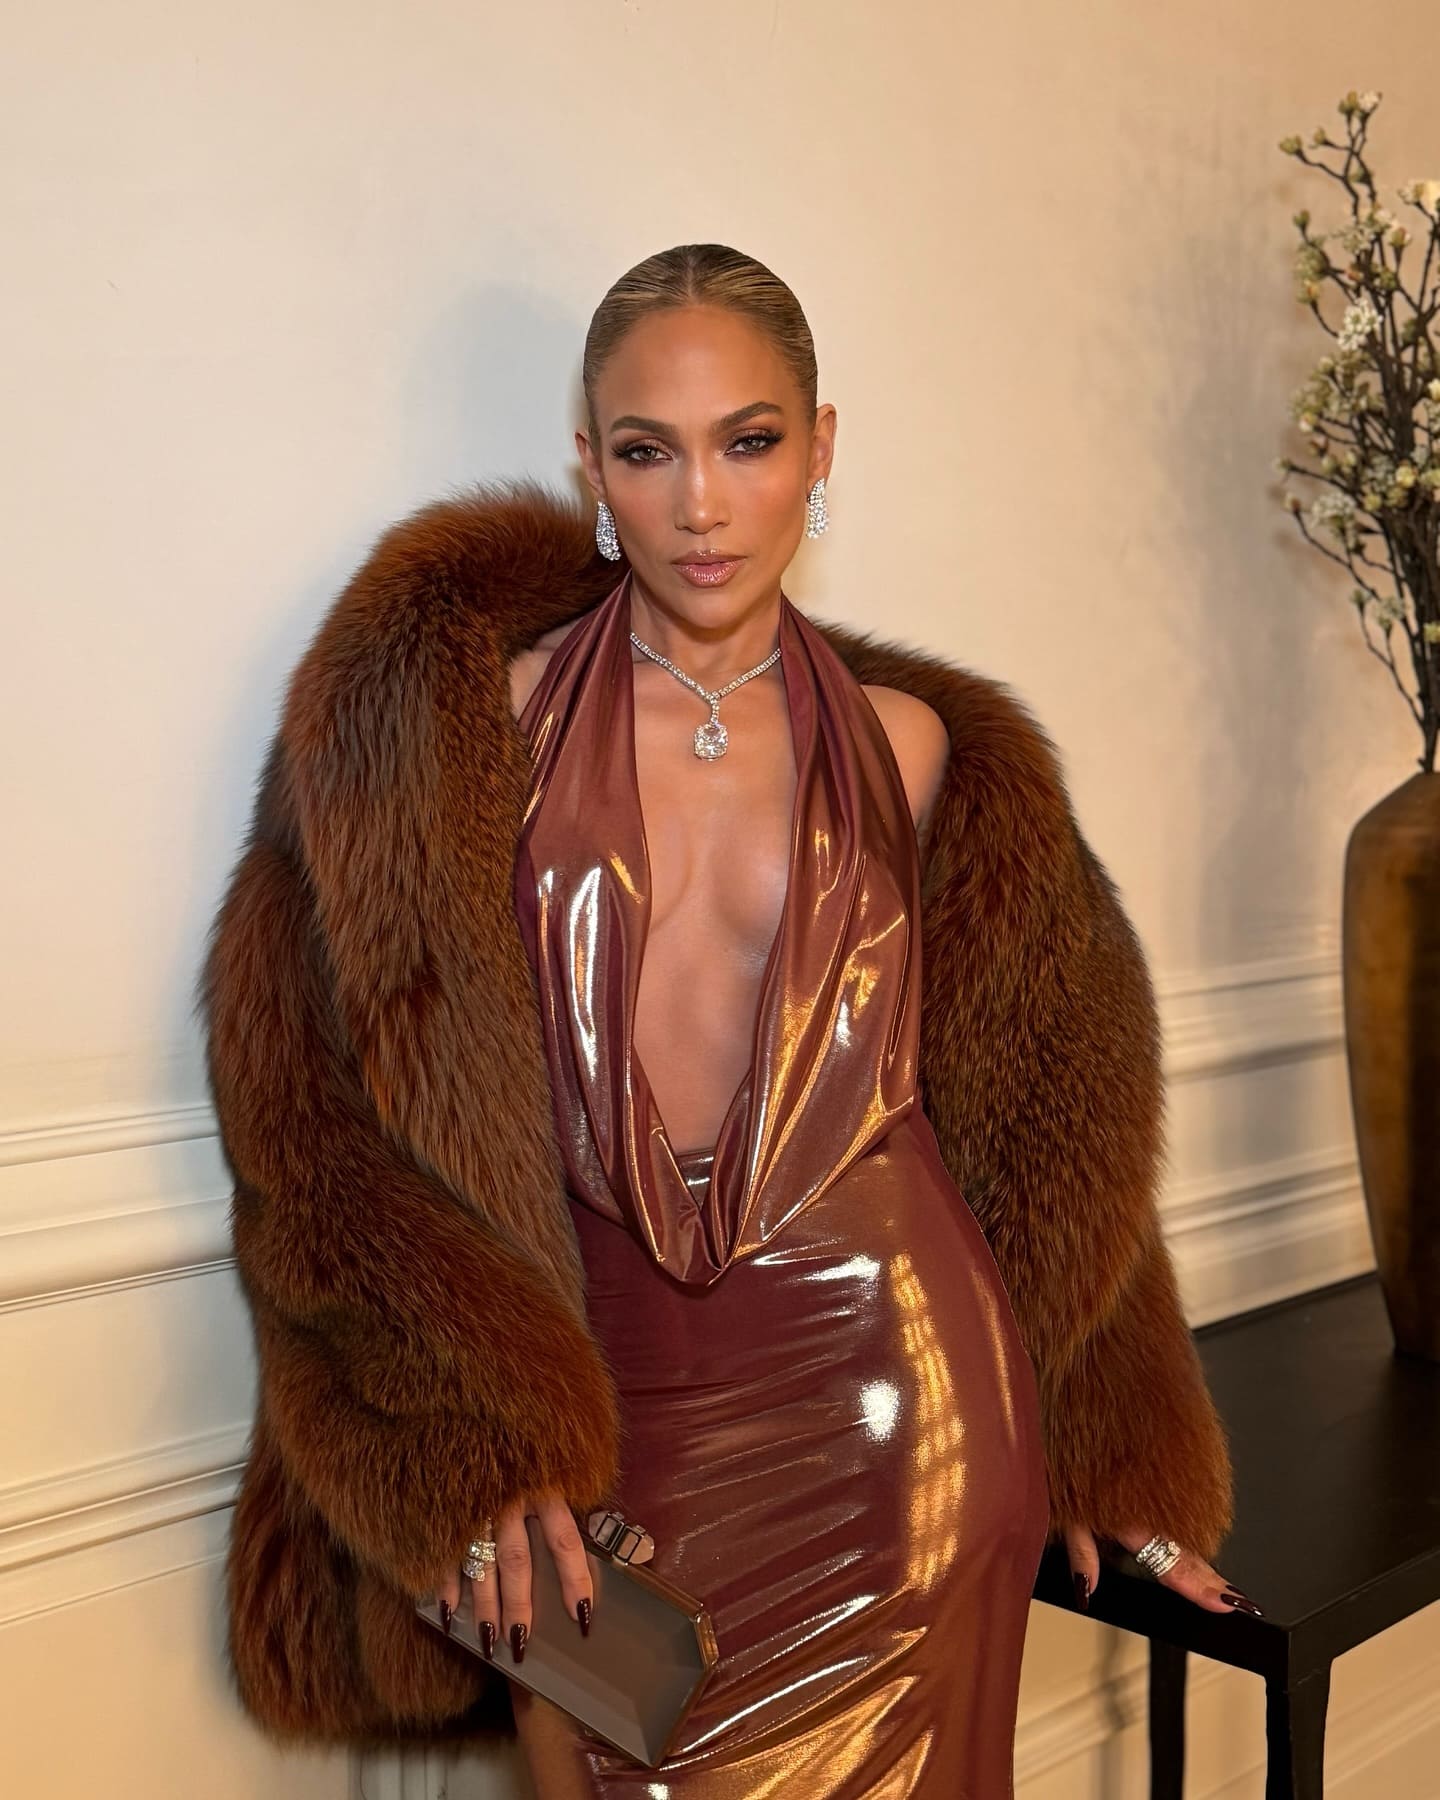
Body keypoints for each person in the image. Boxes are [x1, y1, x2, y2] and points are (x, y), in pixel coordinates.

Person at [200, 243, 1249, 1795]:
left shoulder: (924, 751)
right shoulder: (444, 740)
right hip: (586, 1414)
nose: (700, 503)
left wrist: (1111, 1442)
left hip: (902, 1413)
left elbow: (1044, 1121)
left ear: (821, 448)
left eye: (747, 442)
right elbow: (314, 1137)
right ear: (591, 466)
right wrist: (454, 1453)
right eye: (649, 451)